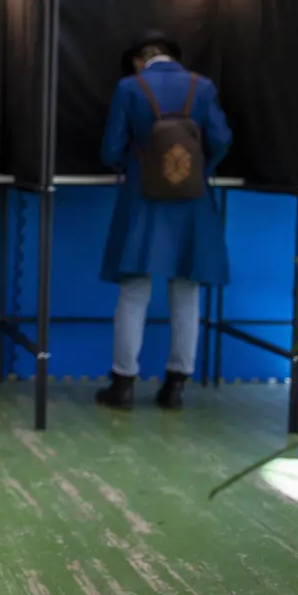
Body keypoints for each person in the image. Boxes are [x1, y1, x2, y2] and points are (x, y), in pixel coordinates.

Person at [95, 32, 232, 411]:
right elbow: (221, 138)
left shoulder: (130, 87)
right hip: (193, 201)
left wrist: (137, 168)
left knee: (134, 292)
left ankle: (122, 385)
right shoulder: (202, 87)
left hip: (143, 199)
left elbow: (111, 149)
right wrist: (197, 172)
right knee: (187, 292)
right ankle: (176, 386)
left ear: (140, 60)